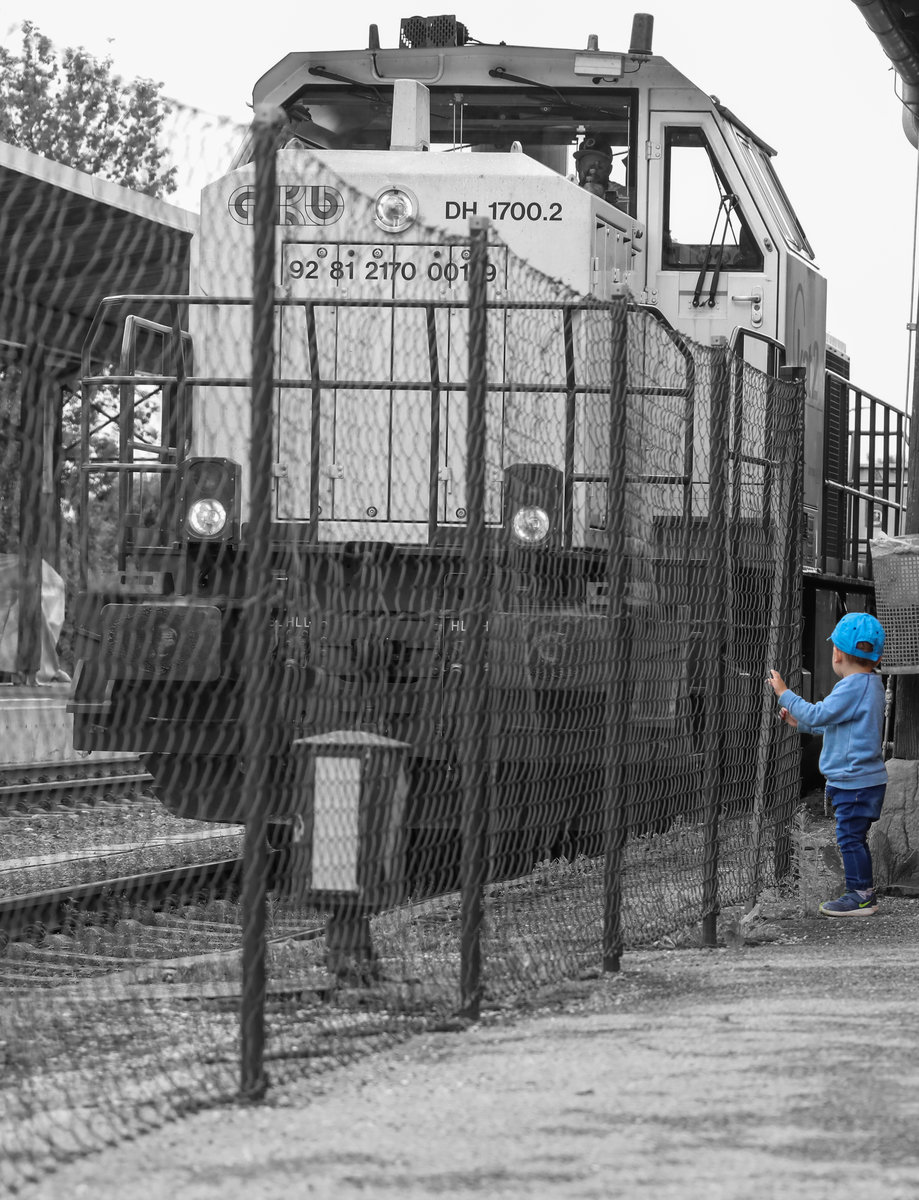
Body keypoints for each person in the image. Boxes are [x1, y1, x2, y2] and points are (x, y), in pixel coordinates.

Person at [768, 612, 887, 917]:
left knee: (849, 837)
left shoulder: (851, 686)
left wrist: (785, 694)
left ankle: (861, 896)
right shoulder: (871, 684)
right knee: (851, 836)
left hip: (855, 781)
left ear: (837, 653)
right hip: (863, 780)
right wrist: (800, 723)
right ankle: (861, 893)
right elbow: (835, 725)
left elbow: (820, 714)